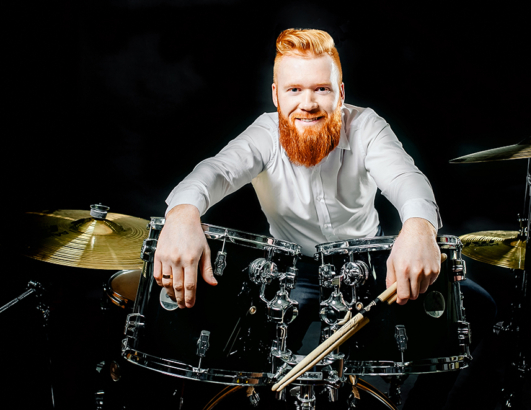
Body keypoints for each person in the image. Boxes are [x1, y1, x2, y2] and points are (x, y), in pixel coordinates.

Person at [153, 28, 496, 409]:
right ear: (275, 95)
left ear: (341, 93)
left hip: (368, 263)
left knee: (477, 305)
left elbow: (406, 180)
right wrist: (182, 215)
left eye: (321, 89)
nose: (308, 103)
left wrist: (419, 228)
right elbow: (214, 172)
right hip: (292, 270)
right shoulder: (264, 134)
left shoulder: (366, 126)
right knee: (249, 369)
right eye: (294, 90)